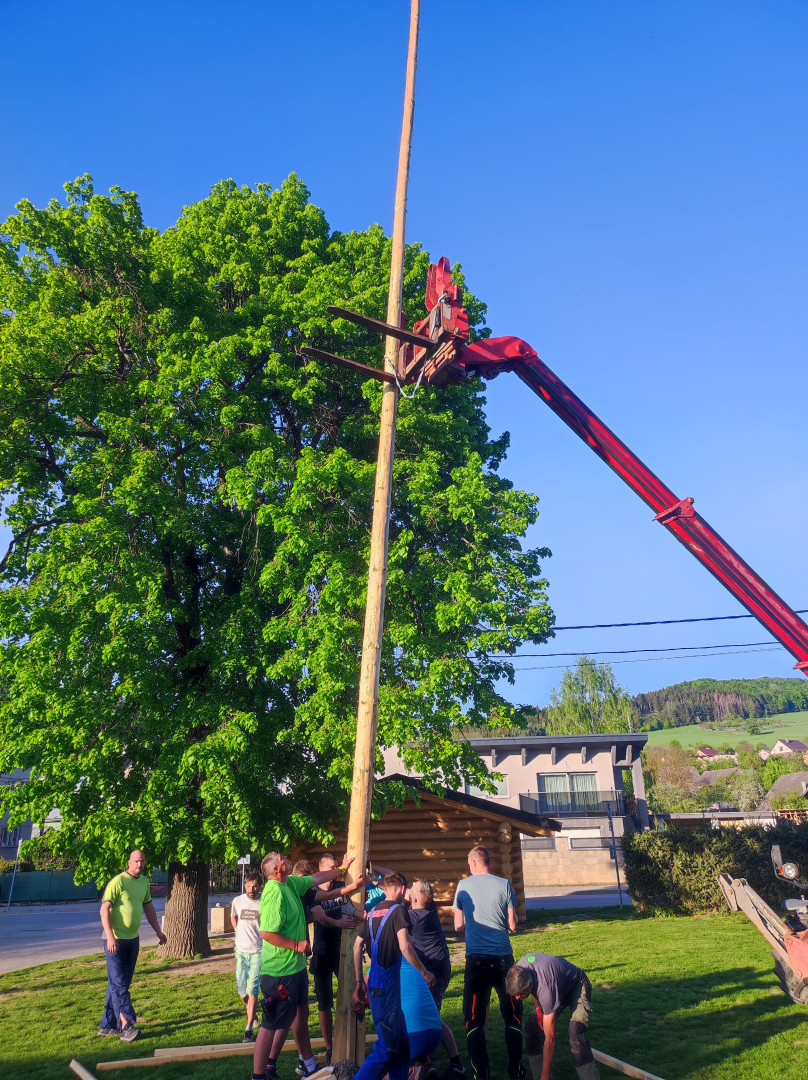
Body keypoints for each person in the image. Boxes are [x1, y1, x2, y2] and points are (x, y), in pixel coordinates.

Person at [252, 850, 353, 1080]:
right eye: (282, 859)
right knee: (271, 1024)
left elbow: (316, 878)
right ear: (276, 869)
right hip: (279, 971)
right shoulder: (274, 892)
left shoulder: (290, 884)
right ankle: (259, 1075)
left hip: (295, 968)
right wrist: (296, 944)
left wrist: (342, 869)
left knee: (300, 1015)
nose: (287, 859)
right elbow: (267, 933)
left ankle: (307, 1065)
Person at [351, 872, 436, 1080]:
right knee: (386, 1047)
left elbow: (357, 945)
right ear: (401, 889)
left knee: (402, 1045)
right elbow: (405, 946)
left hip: (377, 985)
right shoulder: (399, 911)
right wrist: (424, 972)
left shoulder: (372, 912)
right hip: (387, 989)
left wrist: (359, 981)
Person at [453, 845, 523, 1080]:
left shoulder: (463, 886)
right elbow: (512, 925)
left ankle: (480, 1074)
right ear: (489, 862)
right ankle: (516, 1072)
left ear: (474, 862)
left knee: (473, 1019)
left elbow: (458, 926)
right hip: (504, 960)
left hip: (477, 961)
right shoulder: (504, 884)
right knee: (512, 1016)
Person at [97, 849, 167, 1042]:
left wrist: (158, 931)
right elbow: (104, 910)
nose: (139, 864)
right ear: (128, 862)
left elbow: (148, 907)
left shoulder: (144, 882)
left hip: (132, 940)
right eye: (136, 861)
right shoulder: (118, 881)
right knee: (119, 984)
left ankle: (107, 1024)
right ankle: (126, 1025)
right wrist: (110, 937)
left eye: (142, 861)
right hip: (115, 941)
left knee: (119, 983)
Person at [505, 953, 600, 1080]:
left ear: (530, 984)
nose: (517, 997)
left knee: (575, 1033)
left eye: (520, 993)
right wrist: (539, 1010)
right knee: (533, 1026)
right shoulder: (519, 970)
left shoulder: (545, 988)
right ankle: (539, 1076)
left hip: (577, 985)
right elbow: (534, 990)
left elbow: (550, 1039)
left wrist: (546, 1076)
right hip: (557, 987)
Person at [407, 879, 465, 1080]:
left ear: (415, 898)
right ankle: (431, 1060)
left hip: (433, 972)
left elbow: (389, 916)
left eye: (411, 890)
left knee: (430, 1018)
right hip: (439, 967)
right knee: (429, 1016)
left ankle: (443, 1064)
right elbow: (406, 891)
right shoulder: (429, 906)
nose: (408, 891)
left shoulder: (414, 917)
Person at [305, 854, 359, 1067]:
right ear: (322, 869)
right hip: (322, 951)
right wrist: (339, 923)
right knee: (325, 1002)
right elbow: (320, 917)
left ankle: (350, 1039)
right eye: (332, 867)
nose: (336, 870)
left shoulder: (341, 885)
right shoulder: (313, 892)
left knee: (350, 994)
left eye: (337, 866)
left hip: (344, 950)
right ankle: (329, 1048)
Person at [232, 870, 264, 1042]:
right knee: (242, 990)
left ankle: (249, 1028)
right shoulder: (238, 901)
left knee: (253, 989)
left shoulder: (263, 902)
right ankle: (253, 1011)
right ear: (244, 885)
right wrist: (237, 931)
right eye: (248, 885)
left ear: (259, 886)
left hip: (257, 951)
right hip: (241, 950)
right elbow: (233, 917)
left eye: (254, 886)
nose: (251, 889)